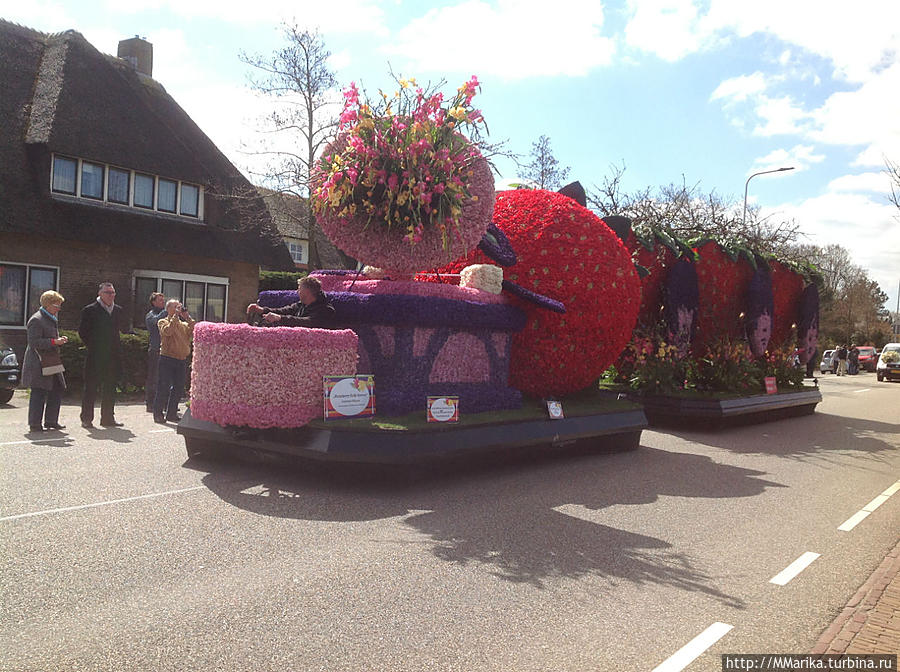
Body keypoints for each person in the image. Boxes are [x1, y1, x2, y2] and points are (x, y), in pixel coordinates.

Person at [78, 282, 125, 428]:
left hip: (112, 357)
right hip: (95, 356)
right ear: (100, 293)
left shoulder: (117, 310)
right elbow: (82, 332)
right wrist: (94, 346)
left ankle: (107, 418)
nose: (111, 296)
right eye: (107, 293)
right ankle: (87, 418)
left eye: (113, 293)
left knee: (110, 387)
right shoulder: (90, 310)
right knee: (91, 387)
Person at [21, 291, 68, 432]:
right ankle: (35, 423)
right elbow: (34, 342)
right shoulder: (36, 320)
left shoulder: (50, 318)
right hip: (38, 362)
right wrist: (54, 341)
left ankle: (51, 421)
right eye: (56, 305)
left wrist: (58, 341)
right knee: (39, 391)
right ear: (47, 304)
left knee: (57, 388)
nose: (58, 308)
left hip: (51, 361)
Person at [154, 299, 195, 424]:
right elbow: (168, 331)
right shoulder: (163, 321)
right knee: (163, 386)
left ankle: (171, 413)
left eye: (179, 306)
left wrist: (187, 317)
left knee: (178, 388)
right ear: (168, 309)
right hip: (167, 358)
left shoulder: (183, 325)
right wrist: (176, 316)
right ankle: (158, 414)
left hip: (181, 359)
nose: (178, 308)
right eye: (175, 306)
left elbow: (193, 330)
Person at [246, 276, 336, 328]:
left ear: (307, 292)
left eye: (299, 289)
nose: (297, 292)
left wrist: (280, 318)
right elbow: (284, 311)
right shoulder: (300, 305)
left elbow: (308, 322)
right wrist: (261, 310)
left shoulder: (326, 310)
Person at [145, 292, 166, 412]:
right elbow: (156, 322)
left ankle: (163, 403)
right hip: (155, 350)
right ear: (153, 302)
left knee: (165, 378)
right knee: (154, 377)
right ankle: (150, 403)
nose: (162, 303)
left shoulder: (167, 316)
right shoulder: (150, 315)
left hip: (166, 350)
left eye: (164, 301)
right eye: (160, 300)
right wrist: (167, 310)